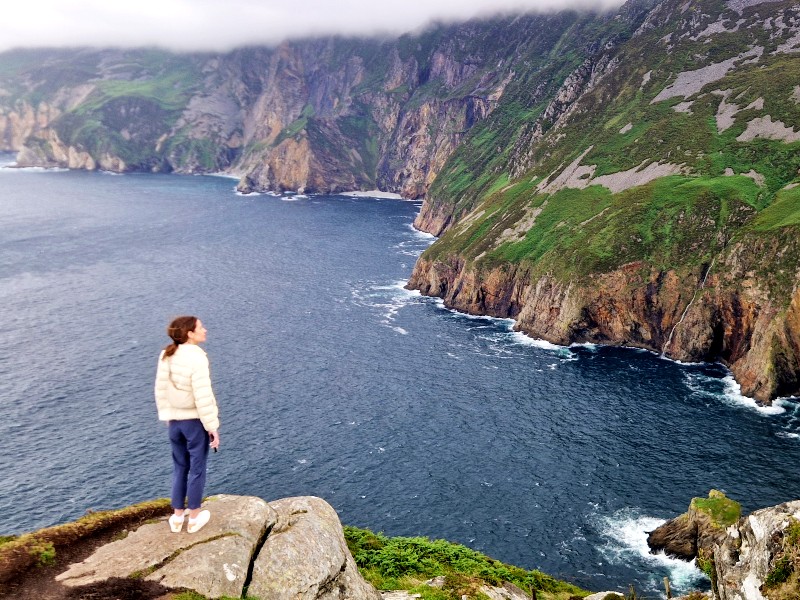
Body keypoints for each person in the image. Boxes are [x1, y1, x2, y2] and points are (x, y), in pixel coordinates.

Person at [154, 316, 220, 534]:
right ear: (190, 333)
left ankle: (177, 517)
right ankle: (194, 518)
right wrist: (212, 427)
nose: (205, 330)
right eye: (201, 328)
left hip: (174, 423)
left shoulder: (167, 354)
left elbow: (160, 390)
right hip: (193, 423)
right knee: (197, 469)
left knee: (180, 467)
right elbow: (203, 395)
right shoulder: (197, 358)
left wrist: (167, 416)